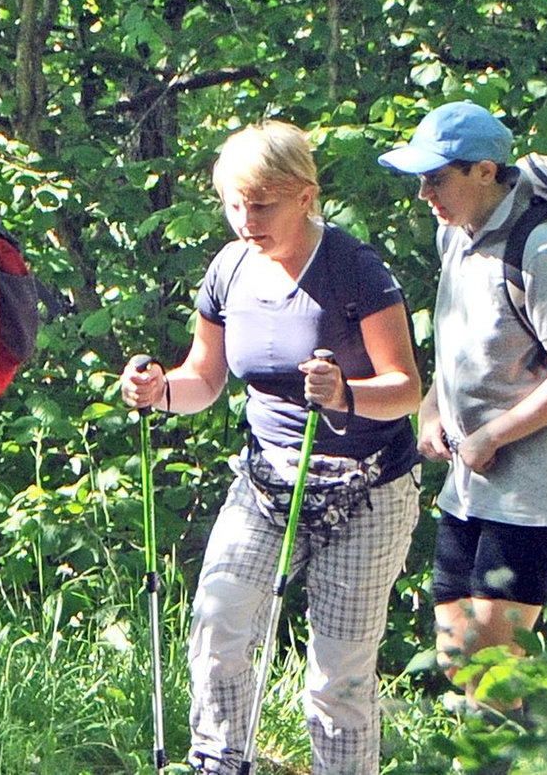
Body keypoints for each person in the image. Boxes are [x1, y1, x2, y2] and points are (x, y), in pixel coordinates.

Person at [120, 120, 423, 775]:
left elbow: (404, 390)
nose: (245, 219)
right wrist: (156, 390)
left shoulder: (355, 270)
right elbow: (201, 379)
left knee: (336, 671)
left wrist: (344, 392)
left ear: (305, 197)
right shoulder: (229, 269)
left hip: (367, 488)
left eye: (262, 204)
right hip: (266, 482)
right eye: (234, 203)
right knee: (218, 624)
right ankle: (220, 760)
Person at [377, 101, 547, 719]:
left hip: (536, 492)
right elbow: (456, 352)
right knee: (458, 654)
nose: (424, 194)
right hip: (468, 485)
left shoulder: (541, 247)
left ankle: (498, 755)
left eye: (436, 177)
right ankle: (523, 741)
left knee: (494, 666)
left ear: (484, 171)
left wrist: (491, 436)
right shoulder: (456, 235)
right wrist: (429, 412)